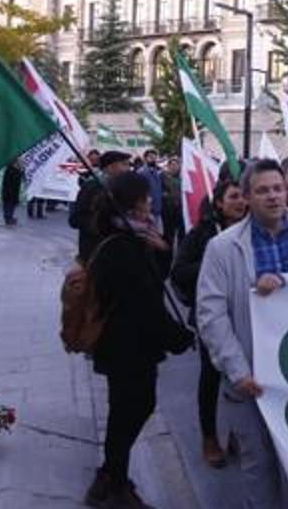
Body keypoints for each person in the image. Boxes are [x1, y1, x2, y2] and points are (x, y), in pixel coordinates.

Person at [197, 160, 288, 509]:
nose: (273, 196)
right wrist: (237, 371)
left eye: (277, 188)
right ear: (245, 197)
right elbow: (211, 315)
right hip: (252, 378)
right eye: (262, 190)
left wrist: (286, 280)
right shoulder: (222, 247)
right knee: (258, 465)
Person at [84, 172, 194, 509]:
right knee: (130, 409)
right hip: (126, 347)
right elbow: (145, 304)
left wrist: (161, 251)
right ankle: (114, 484)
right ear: (132, 203)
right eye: (146, 198)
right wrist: (179, 337)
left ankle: (110, 476)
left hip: (130, 346)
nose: (151, 203)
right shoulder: (121, 246)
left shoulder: (132, 238)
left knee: (128, 409)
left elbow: (156, 280)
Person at [170, 178, 246, 469]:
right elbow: (179, 272)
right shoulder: (202, 234)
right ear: (219, 203)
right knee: (212, 377)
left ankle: (240, 432)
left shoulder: (255, 231)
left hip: (247, 315)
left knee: (245, 377)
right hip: (212, 318)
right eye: (234, 197)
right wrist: (216, 262)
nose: (241, 202)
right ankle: (210, 437)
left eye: (243, 197)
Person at [70, 151, 132, 263]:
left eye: (128, 164)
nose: (128, 169)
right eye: (124, 164)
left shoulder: (120, 187)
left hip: (114, 252)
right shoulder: (92, 186)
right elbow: (75, 219)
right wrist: (103, 223)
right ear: (110, 167)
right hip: (93, 252)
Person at [137, 149, 164, 232]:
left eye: (155, 157)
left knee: (158, 233)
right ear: (145, 159)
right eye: (151, 157)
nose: (153, 159)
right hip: (147, 211)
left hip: (157, 210)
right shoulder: (141, 172)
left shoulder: (157, 172)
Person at [161, 156, 185, 248]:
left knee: (181, 231)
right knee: (169, 231)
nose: (175, 167)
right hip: (168, 208)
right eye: (172, 165)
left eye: (177, 164)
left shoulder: (182, 178)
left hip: (180, 208)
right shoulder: (163, 176)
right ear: (169, 166)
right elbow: (160, 191)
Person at [0, 160, 24, 227]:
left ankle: (9, 217)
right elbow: (15, 178)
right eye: (19, 162)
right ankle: (8, 218)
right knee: (9, 204)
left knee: (10, 204)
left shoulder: (14, 169)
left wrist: (21, 170)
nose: (20, 163)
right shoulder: (12, 170)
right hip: (10, 191)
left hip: (11, 191)